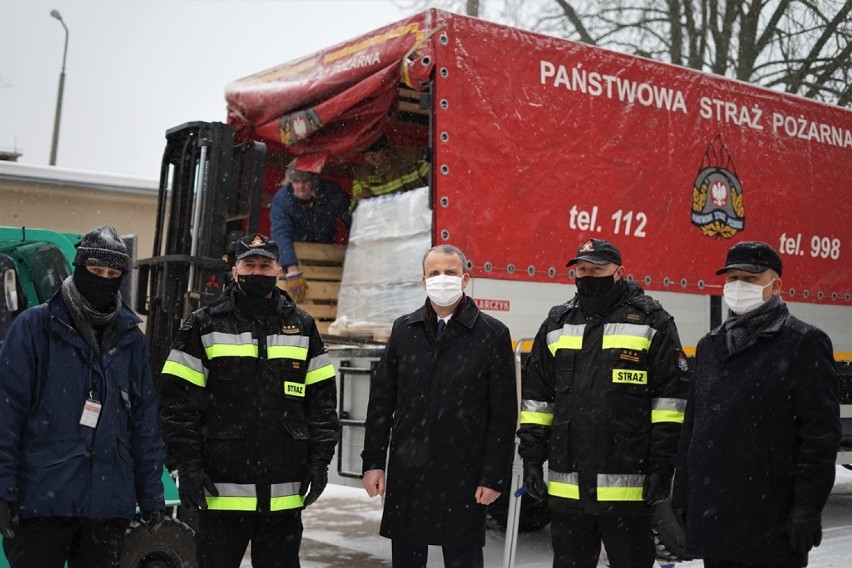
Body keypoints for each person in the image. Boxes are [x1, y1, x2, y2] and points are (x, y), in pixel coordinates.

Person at [158, 232, 339, 568]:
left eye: (265, 265)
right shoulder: (204, 324)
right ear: (235, 271)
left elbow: (322, 405)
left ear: (278, 271)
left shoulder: (302, 327)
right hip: (219, 497)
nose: (257, 271)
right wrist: (188, 466)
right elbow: (176, 405)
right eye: (250, 264)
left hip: (282, 501)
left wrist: (319, 461)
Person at [517, 238, 689, 568]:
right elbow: (538, 402)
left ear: (619, 272)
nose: (588, 275)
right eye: (582, 269)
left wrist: (663, 467)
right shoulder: (557, 323)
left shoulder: (652, 322)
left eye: (598, 269)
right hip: (569, 494)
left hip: (628, 494)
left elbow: (669, 405)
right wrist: (532, 461)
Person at [0, 225, 165, 567]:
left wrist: (151, 494)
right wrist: (3, 488)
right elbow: (6, 414)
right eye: (95, 270)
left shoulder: (131, 339)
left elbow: (144, 421)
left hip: (107, 507)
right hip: (43, 502)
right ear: (78, 268)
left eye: (113, 272)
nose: (104, 279)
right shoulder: (35, 328)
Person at [671, 241, 841, 567]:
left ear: (775, 285)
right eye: (732, 277)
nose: (738, 286)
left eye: (749, 279)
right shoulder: (710, 346)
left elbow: (820, 438)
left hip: (770, 521)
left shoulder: (802, 342)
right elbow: (693, 428)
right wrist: (683, 494)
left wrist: (807, 506)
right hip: (717, 518)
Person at [361, 244, 517, 568]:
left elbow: (503, 416)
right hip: (409, 472)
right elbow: (381, 403)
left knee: (463, 558)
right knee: (406, 557)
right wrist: (373, 462)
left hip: (463, 473)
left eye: (450, 272)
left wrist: (493, 476)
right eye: (434, 273)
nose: (442, 279)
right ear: (423, 281)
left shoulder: (492, 334)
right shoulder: (404, 330)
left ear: (465, 279)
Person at [269, 164, 351, 302]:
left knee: (327, 298)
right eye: (296, 181)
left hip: (326, 256)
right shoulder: (282, 200)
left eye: (305, 181)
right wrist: (292, 268)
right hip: (297, 257)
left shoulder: (330, 192)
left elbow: (350, 217)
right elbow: (281, 233)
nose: (300, 186)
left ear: (314, 181)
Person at [350, 135, 430, 205]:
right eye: (367, 155)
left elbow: (436, 183)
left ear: (386, 150)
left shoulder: (411, 158)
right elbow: (361, 209)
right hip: (386, 220)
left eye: (375, 154)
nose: (371, 159)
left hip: (418, 213)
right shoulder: (362, 175)